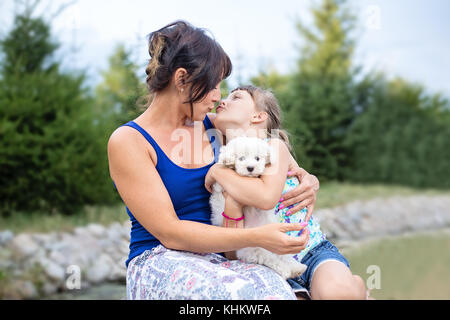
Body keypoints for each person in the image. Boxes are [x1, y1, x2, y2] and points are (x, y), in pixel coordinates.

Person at [108, 20, 319, 300]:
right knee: (242, 296)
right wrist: (257, 237)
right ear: (182, 79)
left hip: (221, 258)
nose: (218, 97)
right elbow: (171, 234)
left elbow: (273, 148)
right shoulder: (129, 141)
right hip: (162, 259)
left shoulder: (213, 125)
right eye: (213, 86)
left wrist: (307, 180)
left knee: (282, 294)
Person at [205, 85, 369, 300]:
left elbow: (265, 198)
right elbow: (231, 244)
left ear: (258, 116)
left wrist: (217, 172)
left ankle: (355, 287)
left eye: (235, 97)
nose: (222, 101)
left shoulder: (273, 146)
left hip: (310, 251)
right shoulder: (230, 159)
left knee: (336, 294)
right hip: (265, 260)